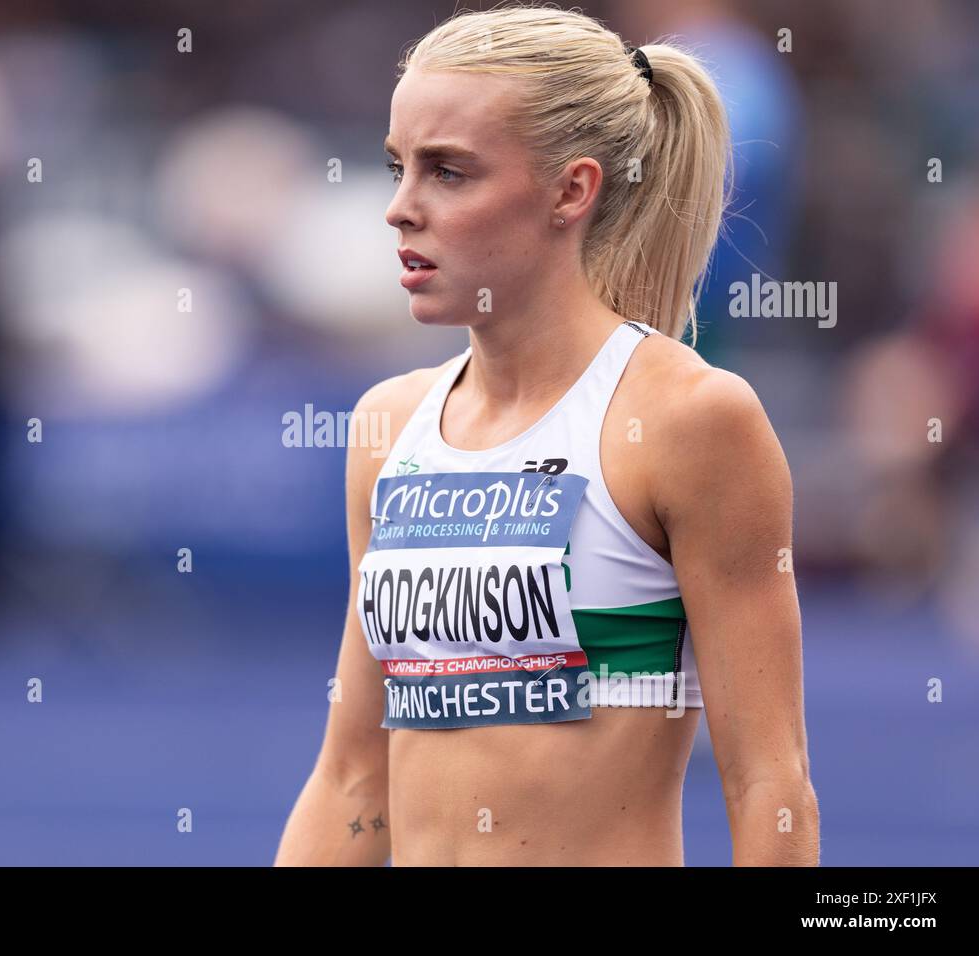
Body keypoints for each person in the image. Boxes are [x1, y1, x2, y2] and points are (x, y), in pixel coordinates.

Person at [275, 5, 818, 866]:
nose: (399, 210)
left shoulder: (688, 419)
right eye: (397, 168)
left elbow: (770, 783)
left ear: (573, 189)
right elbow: (351, 779)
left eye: (448, 172)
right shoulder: (390, 425)